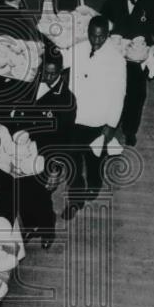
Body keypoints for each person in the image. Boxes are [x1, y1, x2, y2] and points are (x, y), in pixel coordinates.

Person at [63, 16, 127, 217]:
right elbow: (61, 59)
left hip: (98, 121)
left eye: (100, 37)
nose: (96, 40)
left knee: (93, 158)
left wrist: (110, 126)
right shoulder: (80, 48)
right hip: (75, 117)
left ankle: (94, 182)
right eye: (93, 35)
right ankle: (76, 197)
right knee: (71, 158)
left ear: (107, 35)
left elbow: (119, 95)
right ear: (88, 33)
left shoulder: (116, 60)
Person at [102, 0, 154, 145]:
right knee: (112, 91)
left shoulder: (151, 0)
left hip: (137, 57)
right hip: (116, 54)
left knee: (136, 94)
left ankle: (130, 130)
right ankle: (109, 124)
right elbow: (103, 18)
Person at [9, 56, 76, 154]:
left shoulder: (66, 99)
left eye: (53, 74)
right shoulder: (30, 83)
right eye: (45, 72)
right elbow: (14, 110)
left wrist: (34, 146)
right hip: (15, 140)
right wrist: (15, 132)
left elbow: (63, 134)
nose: (48, 77)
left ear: (61, 69)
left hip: (41, 150)